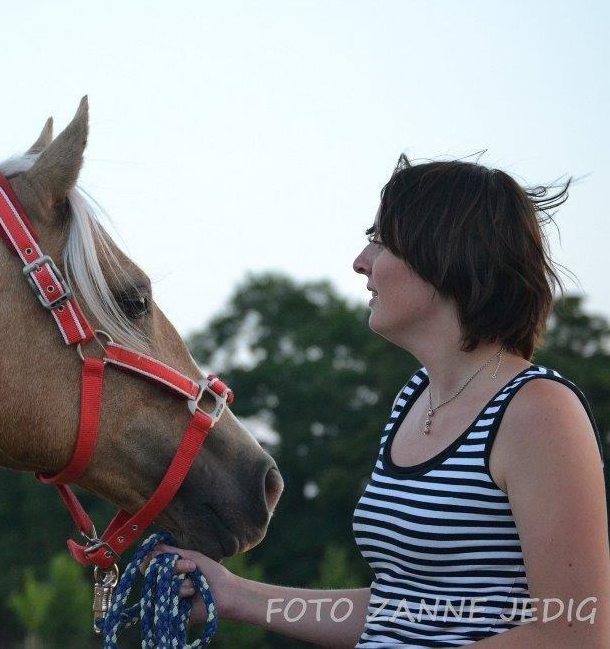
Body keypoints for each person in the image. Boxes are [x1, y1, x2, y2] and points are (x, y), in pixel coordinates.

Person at [148, 155, 610, 647]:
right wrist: (234, 595)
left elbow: (574, 633)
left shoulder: (539, 410)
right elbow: (400, 607)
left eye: (381, 241)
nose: (360, 261)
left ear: (444, 257)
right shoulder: (414, 397)